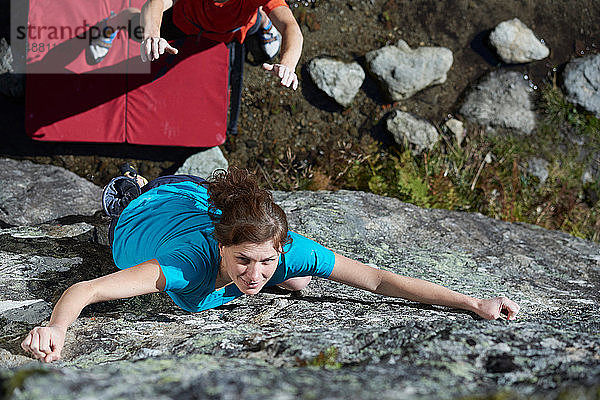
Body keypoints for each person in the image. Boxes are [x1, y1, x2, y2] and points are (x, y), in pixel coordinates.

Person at [21, 167, 520, 363]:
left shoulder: (284, 250)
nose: (255, 274)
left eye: (266, 261)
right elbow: (86, 289)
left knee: (300, 279)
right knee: (117, 214)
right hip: (142, 216)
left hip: (201, 198)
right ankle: (129, 189)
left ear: (280, 246)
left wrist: (471, 302)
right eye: (244, 261)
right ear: (220, 249)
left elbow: (378, 279)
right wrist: (55, 329)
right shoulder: (183, 264)